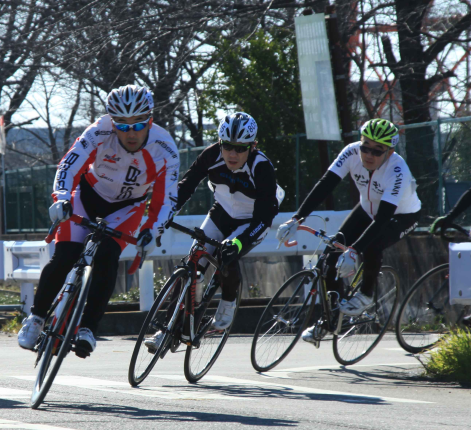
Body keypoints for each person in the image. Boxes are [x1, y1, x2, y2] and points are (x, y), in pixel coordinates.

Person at [16, 85, 180, 357]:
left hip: (128, 207)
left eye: (138, 124)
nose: (131, 132)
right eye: (122, 125)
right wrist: (61, 197)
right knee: (66, 254)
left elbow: (167, 199)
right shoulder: (99, 131)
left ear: (150, 120)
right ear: (111, 121)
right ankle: (36, 318)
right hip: (87, 196)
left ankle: (88, 328)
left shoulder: (165, 149)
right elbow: (69, 164)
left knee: (107, 256)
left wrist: (153, 229)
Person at [275, 118, 421, 344]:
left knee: (372, 244)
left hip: (400, 216)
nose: (369, 155)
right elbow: (326, 184)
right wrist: (297, 218)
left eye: (377, 150)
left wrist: (354, 251)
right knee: (328, 258)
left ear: (390, 152)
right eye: (365, 147)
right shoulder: (351, 153)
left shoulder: (398, 169)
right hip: (366, 208)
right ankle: (329, 321)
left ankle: (366, 294)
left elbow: (382, 219)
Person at [162, 111, 281, 341]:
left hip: (252, 220)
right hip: (222, 212)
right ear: (220, 143)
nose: (232, 154)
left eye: (240, 148)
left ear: (253, 146)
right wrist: (166, 213)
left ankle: (227, 302)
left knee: (228, 253)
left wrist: (239, 242)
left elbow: (264, 218)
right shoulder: (211, 155)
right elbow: (187, 185)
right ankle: (169, 329)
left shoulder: (262, 167)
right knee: (193, 262)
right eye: (227, 146)